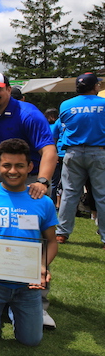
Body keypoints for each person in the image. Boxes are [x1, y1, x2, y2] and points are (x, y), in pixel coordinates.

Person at [0, 71, 58, 327]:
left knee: (33, 235)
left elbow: (48, 149)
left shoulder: (28, 113)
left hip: (31, 176)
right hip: (0, 176)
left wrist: (42, 182)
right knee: (1, 230)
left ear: (9, 90)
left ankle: (38, 302)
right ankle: (1, 292)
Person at [0, 138, 58, 346]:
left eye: (19, 166)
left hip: (28, 284)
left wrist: (43, 265)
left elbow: (52, 241)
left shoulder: (42, 201)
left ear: (29, 167)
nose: (13, 171)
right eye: (7, 165)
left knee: (31, 340)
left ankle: (14, 310)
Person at [55, 73, 105, 246]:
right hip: (98, 151)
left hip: (73, 152)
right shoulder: (103, 104)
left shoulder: (66, 105)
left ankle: (61, 233)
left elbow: (63, 127)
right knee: (102, 195)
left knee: (69, 194)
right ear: (95, 86)